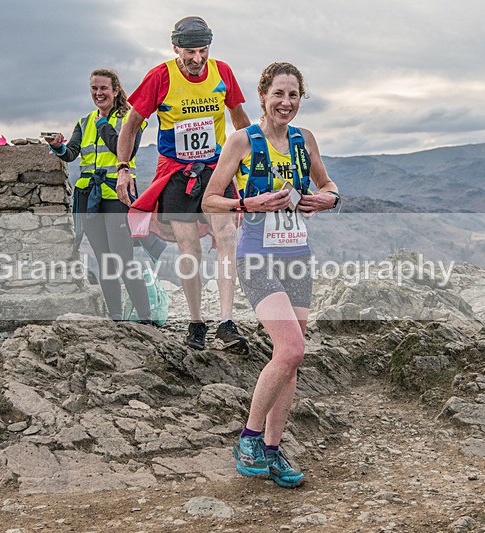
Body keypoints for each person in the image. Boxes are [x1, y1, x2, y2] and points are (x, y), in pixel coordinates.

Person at [202, 62, 341, 488]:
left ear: (301, 99)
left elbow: (328, 184)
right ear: (263, 95)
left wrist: (329, 200)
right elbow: (210, 199)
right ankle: (248, 437)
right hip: (257, 256)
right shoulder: (243, 141)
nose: (286, 103)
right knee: (293, 348)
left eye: (294, 95)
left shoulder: (305, 140)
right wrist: (247, 205)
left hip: (297, 255)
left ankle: (273, 450)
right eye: (278, 94)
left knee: (291, 360)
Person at [115, 16, 251, 353]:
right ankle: (196, 322)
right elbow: (132, 126)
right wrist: (123, 168)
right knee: (189, 248)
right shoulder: (160, 76)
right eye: (189, 52)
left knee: (227, 238)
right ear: (175, 48)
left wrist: (250, 167)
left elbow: (241, 122)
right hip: (175, 174)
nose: (196, 59)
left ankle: (225, 322)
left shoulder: (223, 72)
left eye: (202, 51)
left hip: (215, 171)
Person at [45, 68, 153, 324]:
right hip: (90, 198)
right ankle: (115, 316)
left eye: (103, 88)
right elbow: (72, 153)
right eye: (94, 88)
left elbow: (123, 150)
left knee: (123, 259)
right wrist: (58, 146)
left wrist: (104, 124)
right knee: (104, 261)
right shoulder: (84, 122)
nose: (98, 93)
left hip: (118, 197)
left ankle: (146, 317)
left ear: (115, 90)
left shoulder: (131, 119)